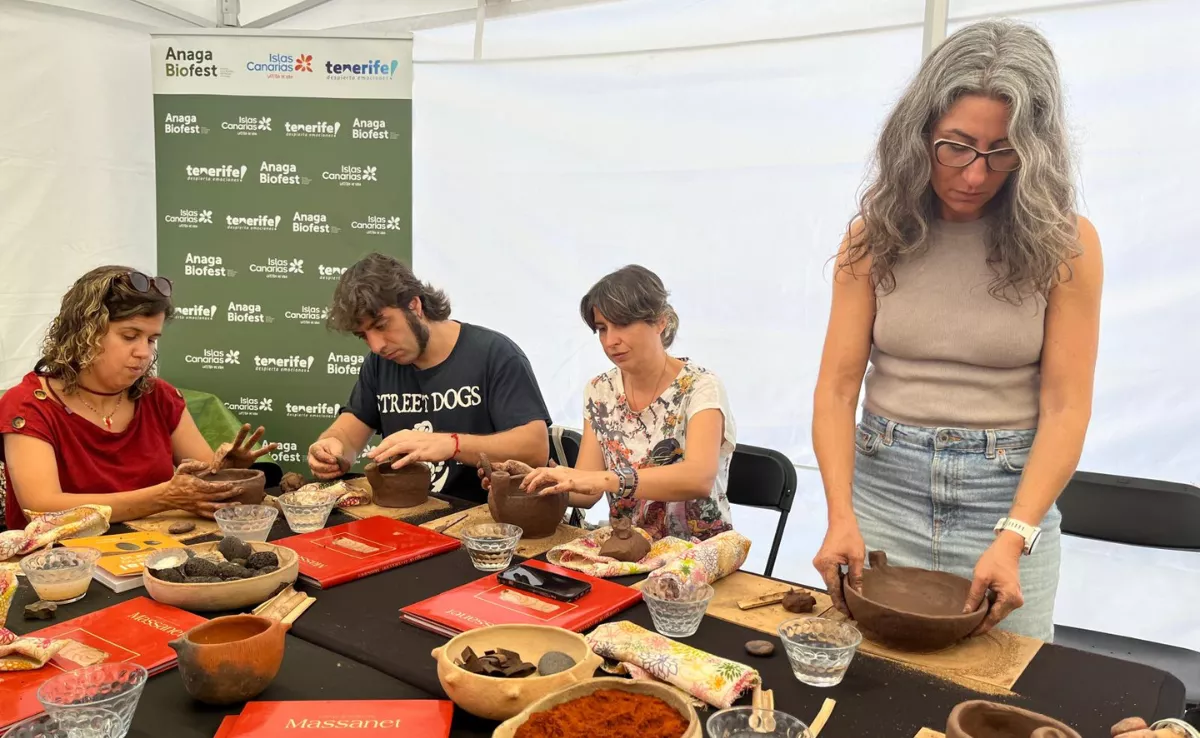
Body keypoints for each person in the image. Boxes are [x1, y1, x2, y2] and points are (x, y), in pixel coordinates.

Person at [811, 19, 1103, 641]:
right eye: (957, 147)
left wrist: (1016, 535)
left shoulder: (1067, 244)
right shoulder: (873, 237)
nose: (975, 174)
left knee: (1004, 690)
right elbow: (837, 390)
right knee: (874, 681)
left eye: (1002, 153)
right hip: (884, 488)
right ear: (918, 135)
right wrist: (840, 515)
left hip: (1007, 500)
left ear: (1035, 151)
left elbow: (1066, 405)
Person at [0, 266, 277, 529]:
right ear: (83, 334)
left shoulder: (158, 396)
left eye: (151, 339)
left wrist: (227, 472)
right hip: (58, 568)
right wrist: (162, 498)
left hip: (155, 556)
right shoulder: (30, 405)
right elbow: (41, 507)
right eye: (130, 336)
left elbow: (201, 484)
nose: (143, 352)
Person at [515, 265, 736, 541]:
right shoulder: (599, 390)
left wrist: (607, 479)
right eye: (602, 329)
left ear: (660, 321)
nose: (610, 341)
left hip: (697, 556)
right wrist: (535, 483)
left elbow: (699, 478)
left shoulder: (701, 387)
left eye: (622, 324)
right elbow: (588, 490)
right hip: (626, 551)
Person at [308, 253, 551, 503]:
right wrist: (330, 448)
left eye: (381, 325)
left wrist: (451, 444)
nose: (376, 345)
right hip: (405, 514)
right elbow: (348, 435)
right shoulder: (380, 363)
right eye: (363, 336)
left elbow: (535, 450)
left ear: (414, 305)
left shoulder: (494, 354)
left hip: (483, 523)